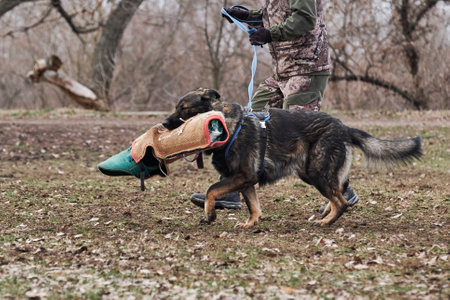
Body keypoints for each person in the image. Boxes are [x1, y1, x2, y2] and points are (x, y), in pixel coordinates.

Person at [190, 0, 359, 212]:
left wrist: (269, 34)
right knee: (246, 122)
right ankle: (230, 189)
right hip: (283, 71)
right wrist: (247, 16)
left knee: (302, 140)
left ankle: (343, 190)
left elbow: (305, 19)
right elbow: (277, 14)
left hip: (306, 68)